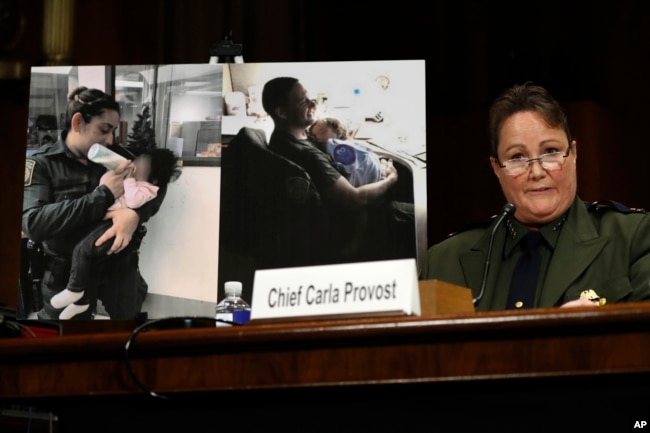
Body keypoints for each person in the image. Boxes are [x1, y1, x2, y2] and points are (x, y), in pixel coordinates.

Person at [420, 82, 650, 311]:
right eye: (518, 157)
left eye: (550, 152)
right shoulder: (444, 262)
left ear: (573, 154)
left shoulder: (634, 238)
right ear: (497, 169)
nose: (537, 172)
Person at [22, 86, 165, 320]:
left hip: (118, 266)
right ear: (78, 122)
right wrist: (104, 194)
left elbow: (157, 184)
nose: (110, 139)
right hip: (66, 273)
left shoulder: (114, 156)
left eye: (113, 131)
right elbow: (34, 223)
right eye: (104, 130)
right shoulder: (42, 164)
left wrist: (134, 215)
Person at [262, 77, 415, 263]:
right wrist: (391, 178)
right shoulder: (309, 156)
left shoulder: (283, 139)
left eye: (309, 97)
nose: (313, 103)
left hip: (335, 214)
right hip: (356, 223)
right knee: (420, 214)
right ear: (282, 112)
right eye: (303, 101)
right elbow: (355, 199)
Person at [50, 147, 181, 319]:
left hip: (115, 242)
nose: (108, 138)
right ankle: (80, 301)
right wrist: (112, 178)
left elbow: (151, 193)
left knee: (124, 309)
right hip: (64, 254)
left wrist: (133, 215)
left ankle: (76, 293)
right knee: (84, 263)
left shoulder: (136, 172)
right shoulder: (51, 160)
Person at [308, 117, 386, 187]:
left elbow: (350, 174)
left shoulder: (333, 144)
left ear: (338, 131)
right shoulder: (350, 145)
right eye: (314, 136)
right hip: (375, 179)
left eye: (322, 132)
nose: (317, 138)